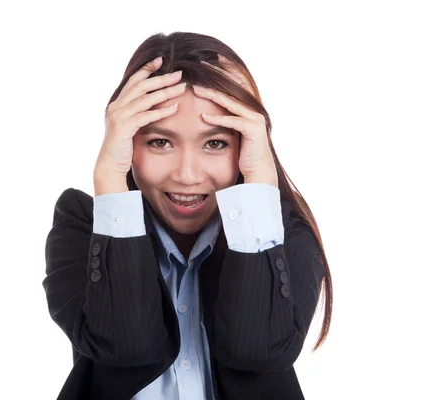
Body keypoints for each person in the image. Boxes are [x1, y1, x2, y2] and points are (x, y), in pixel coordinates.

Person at [43, 31, 333, 400]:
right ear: (126, 142)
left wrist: (260, 176)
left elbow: (257, 350)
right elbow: (126, 347)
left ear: (247, 144)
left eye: (215, 143)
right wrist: (109, 176)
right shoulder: (83, 225)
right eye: (159, 142)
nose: (187, 174)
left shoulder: (281, 233)